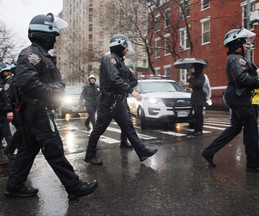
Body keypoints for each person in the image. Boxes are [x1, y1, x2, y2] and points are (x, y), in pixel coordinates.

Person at [5, 13, 98, 200]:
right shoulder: (31, 54)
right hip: (37, 111)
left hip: (36, 111)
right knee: (54, 149)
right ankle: (74, 187)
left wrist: (56, 90)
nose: (55, 39)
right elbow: (28, 82)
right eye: (53, 35)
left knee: (28, 149)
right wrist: (53, 93)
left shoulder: (41, 55)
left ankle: (14, 186)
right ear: (44, 34)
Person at [201, 28, 259, 174]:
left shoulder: (236, 58)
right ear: (237, 43)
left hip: (236, 96)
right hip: (239, 97)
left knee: (235, 128)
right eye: (245, 42)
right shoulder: (236, 59)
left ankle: (208, 151)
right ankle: (253, 165)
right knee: (251, 129)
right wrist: (256, 81)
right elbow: (241, 79)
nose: (247, 45)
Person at [85, 33, 158, 165]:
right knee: (99, 129)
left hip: (118, 102)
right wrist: (132, 91)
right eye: (126, 47)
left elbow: (132, 80)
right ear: (120, 46)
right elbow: (114, 80)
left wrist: (128, 84)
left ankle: (142, 152)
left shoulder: (121, 62)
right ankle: (90, 155)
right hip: (108, 102)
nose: (128, 50)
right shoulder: (109, 59)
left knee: (128, 127)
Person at [0, 63, 22, 160]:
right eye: (5, 72)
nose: (7, 73)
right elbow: (7, 96)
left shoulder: (16, 80)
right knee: (19, 129)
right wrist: (9, 110)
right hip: (8, 109)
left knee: (21, 129)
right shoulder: (10, 81)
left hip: (15, 109)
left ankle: (19, 150)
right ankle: (10, 149)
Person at [187, 63, 208, 136]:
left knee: (199, 115)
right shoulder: (195, 76)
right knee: (195, 115)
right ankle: (196, 130)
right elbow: (193, 87)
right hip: (195, 98)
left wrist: (190, 80)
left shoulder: (201, 76)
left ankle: (199, 130)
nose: (193, 69)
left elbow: (198, 85)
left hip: (199, 98)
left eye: (194, 68)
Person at [0, 64, 13, 156]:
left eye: (9, 71)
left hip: (5, 107)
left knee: (4, 126)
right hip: (2, 108)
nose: (8, 73)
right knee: (5, 127)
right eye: (6, 71)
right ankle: (11, 146)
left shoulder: (7, 81)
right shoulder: (3, 82)